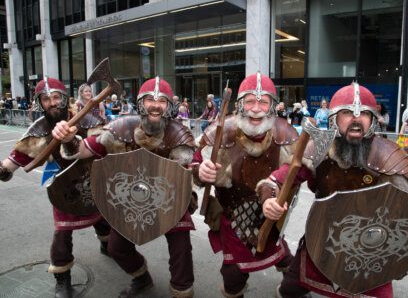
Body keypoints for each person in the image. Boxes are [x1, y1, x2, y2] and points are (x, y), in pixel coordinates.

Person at [258, 83, 408, 298]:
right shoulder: (319, 148)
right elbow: (278, 179)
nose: (356, 119)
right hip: (321, 242)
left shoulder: (389, 154)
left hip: (371, 250)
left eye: (364, 113)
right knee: (290, 290)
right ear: (334, 118)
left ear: (373, 119)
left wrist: (398, 255)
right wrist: (269, 199)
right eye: (347, 113)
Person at [52, 77, 197, 298]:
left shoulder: (178, 133)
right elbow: (82, 150)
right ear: (140, 103)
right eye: (149, 99)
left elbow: (195, 165)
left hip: (170, 199)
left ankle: (182, 291)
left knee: (181, 250)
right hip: (131, 200)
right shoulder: (121, 127)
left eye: (162, 100)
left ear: (170, 106)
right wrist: (70, 139)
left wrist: (204, 171)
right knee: (116, 248)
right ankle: (141, 278)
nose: (155, 105)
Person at [0, 77, 110, 298]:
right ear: (40, 103)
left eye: (56, 97)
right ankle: (62, 279)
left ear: (64, 98)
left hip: (94, 183)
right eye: (46, 99)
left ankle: (108, 247)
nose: (52, 103)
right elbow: (10, 165)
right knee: (62, 236)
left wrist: (74, 139)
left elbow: (107, 145)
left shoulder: (89, 120)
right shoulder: (38, 130)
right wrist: (3, 169)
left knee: (104, 222)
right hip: (64, 191)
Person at [193, 72, 297, 298]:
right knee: (233, 276)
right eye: (250, 100)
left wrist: (276, 190)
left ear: (272, 105)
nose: (256, 108)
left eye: (263, 101)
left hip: (270, 217)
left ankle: (292, 289)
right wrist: (200, 170)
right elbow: (194, 161)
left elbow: (299, 169)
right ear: (240, 104)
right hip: (232, 217)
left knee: (284, 257)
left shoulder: (285, 132)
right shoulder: (220, 130)